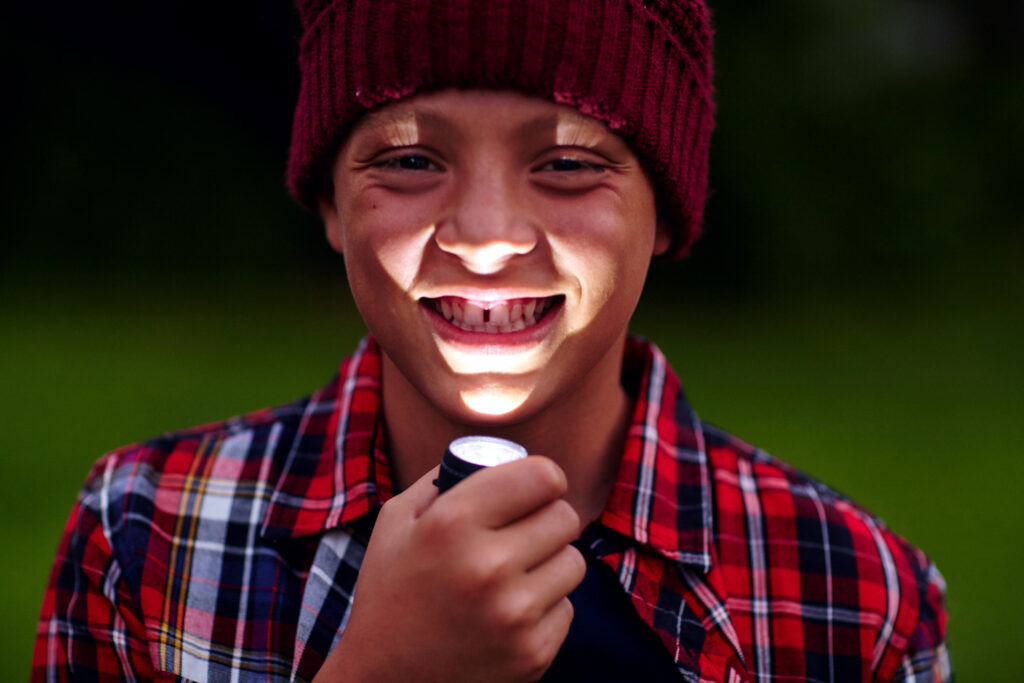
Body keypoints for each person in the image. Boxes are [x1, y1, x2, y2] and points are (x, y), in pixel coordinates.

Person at [33, 0, 950, 680]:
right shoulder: (147, 536)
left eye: (566, 164)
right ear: (327, 203)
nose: (484, 234)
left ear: (667, 212)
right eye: (410, 160)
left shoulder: (856, 597)